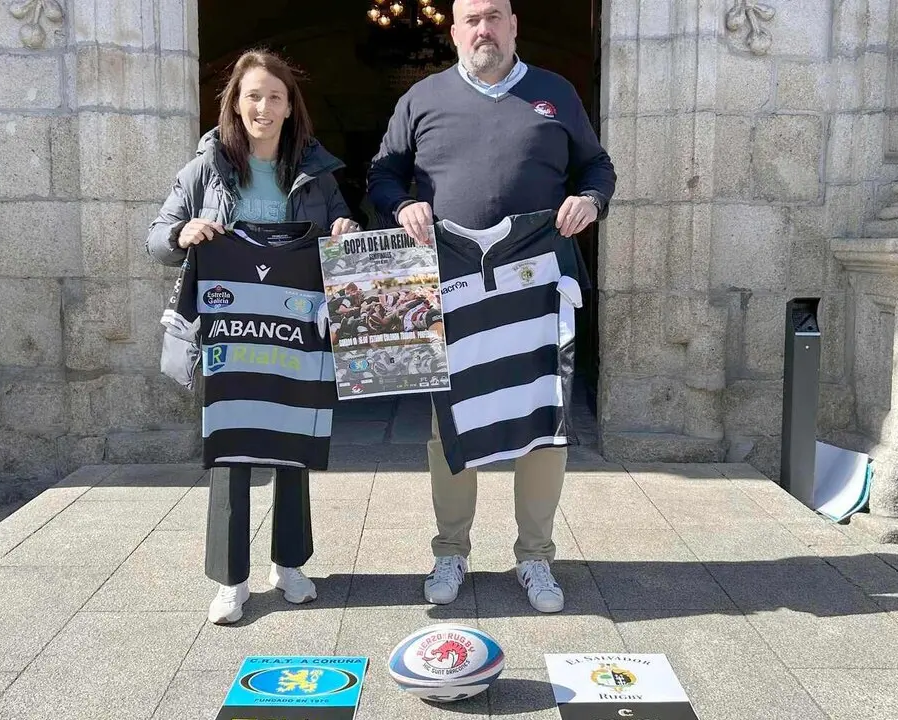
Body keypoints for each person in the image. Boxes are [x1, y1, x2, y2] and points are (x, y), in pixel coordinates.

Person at [366, 0, 616, 613]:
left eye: (495, 16)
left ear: (513, 26)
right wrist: (402, 206)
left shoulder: (554, 93)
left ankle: (535, 557)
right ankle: (450, 550)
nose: (484, 29)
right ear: (454, 31)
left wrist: (591, 200)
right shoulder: (421, 99)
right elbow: (382, 175)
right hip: (446, 283)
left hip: (536, 282)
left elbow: (597, 166)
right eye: (472, 19)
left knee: (545, 424)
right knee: (449, 423)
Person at [146, 49, 358, 625]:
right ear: (235, 105)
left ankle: (289, 565)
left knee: (293, 443)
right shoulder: (204, 169)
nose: (263, 107)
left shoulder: (316, 174)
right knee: (231, 446)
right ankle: (230, 579)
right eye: (253, 96)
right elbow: (158, 237)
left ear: (291, 107)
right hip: (230, 328)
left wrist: (345, 227)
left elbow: (342, 230)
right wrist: (184, 232)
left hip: (294, 326)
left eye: (275, 97)